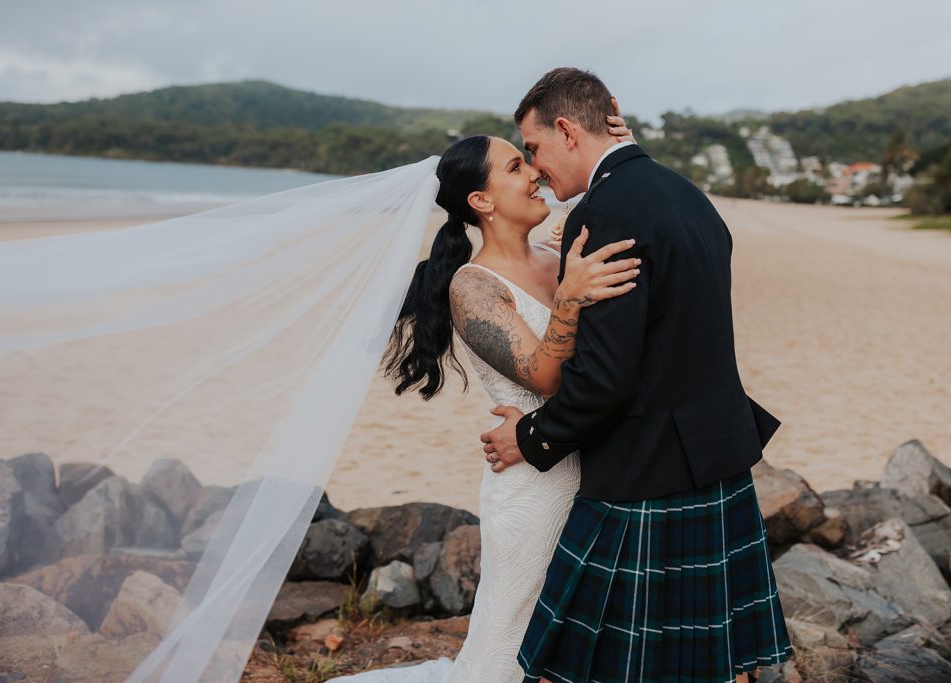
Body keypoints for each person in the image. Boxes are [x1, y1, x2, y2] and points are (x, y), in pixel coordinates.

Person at [479, 67, 795, 683]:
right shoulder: (684, 192)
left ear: (568, 130)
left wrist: (533, 438)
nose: (537, 168)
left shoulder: (603, 213)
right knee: (698, 664)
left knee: (582, 667)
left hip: (644, 468)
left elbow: (605, 378)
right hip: (713, 454)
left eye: (535, 148)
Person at [336, 121, 639, 683]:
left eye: (529, 162)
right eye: (515, 167)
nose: (534, 174)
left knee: (577, 636)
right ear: (480, 201)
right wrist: (570, 299)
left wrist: (617, 144)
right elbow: (546, 377)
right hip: (534, 485)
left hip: (593, 470)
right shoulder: (472, 286)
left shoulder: (558, 260)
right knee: (515, 634)